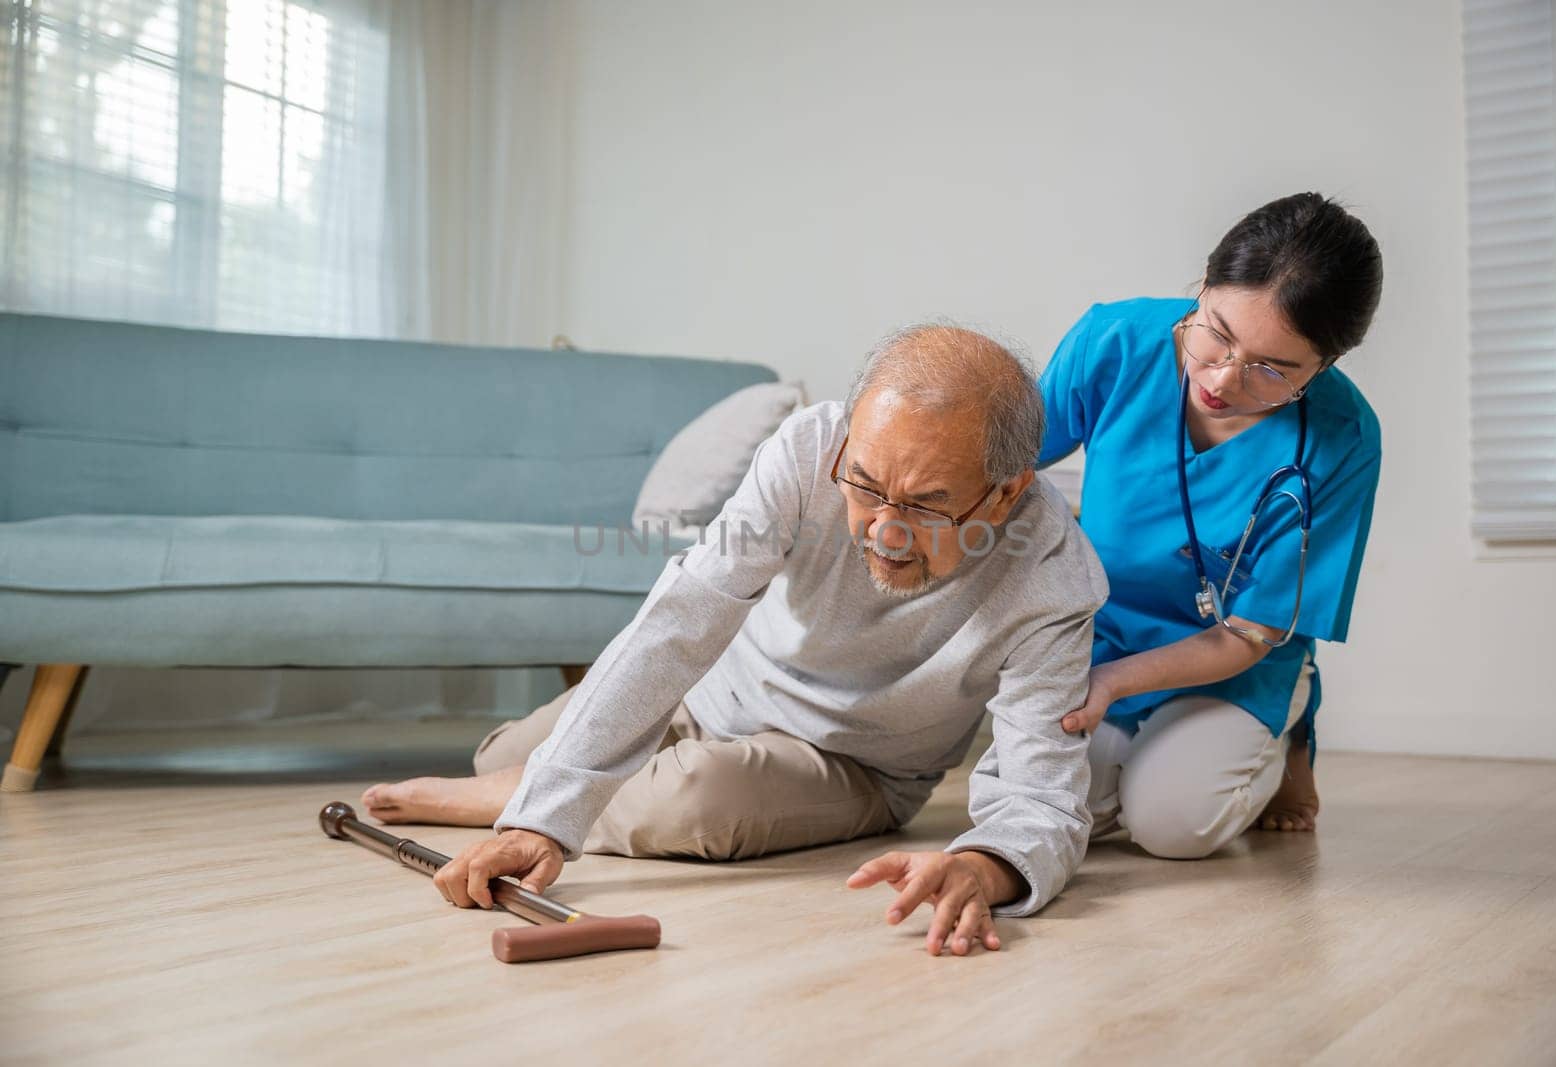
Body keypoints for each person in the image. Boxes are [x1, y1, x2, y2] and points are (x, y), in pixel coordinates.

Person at [363, 324, 1108, 956]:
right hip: (715, 689)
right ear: (849, 438)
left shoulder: (1054, 575)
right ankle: (510, 786)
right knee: (501, 752)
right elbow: (683, 617)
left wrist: (983, 864)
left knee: (691, 799)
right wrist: (541, 818)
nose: (883, 528)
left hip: (851, 761)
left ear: (1008, 489)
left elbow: (1043, 797)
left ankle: (511, 793)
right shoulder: (809, 451)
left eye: (924, 504)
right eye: (867, 484)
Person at [1039, 192, 1382, 858]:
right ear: (1202, 285)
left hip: (1231, 659)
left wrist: (1112, 685)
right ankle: (1140, 761)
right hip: (1100, 635)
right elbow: (999, 464)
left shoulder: (1343, 439)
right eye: (1217, 332)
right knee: (1048, 798)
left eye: (1272, 370)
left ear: (1323, 367)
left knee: (1172, 825)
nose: (1223, 379)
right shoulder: (1114, 342)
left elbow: (1253, 631)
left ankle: (1287, 736)